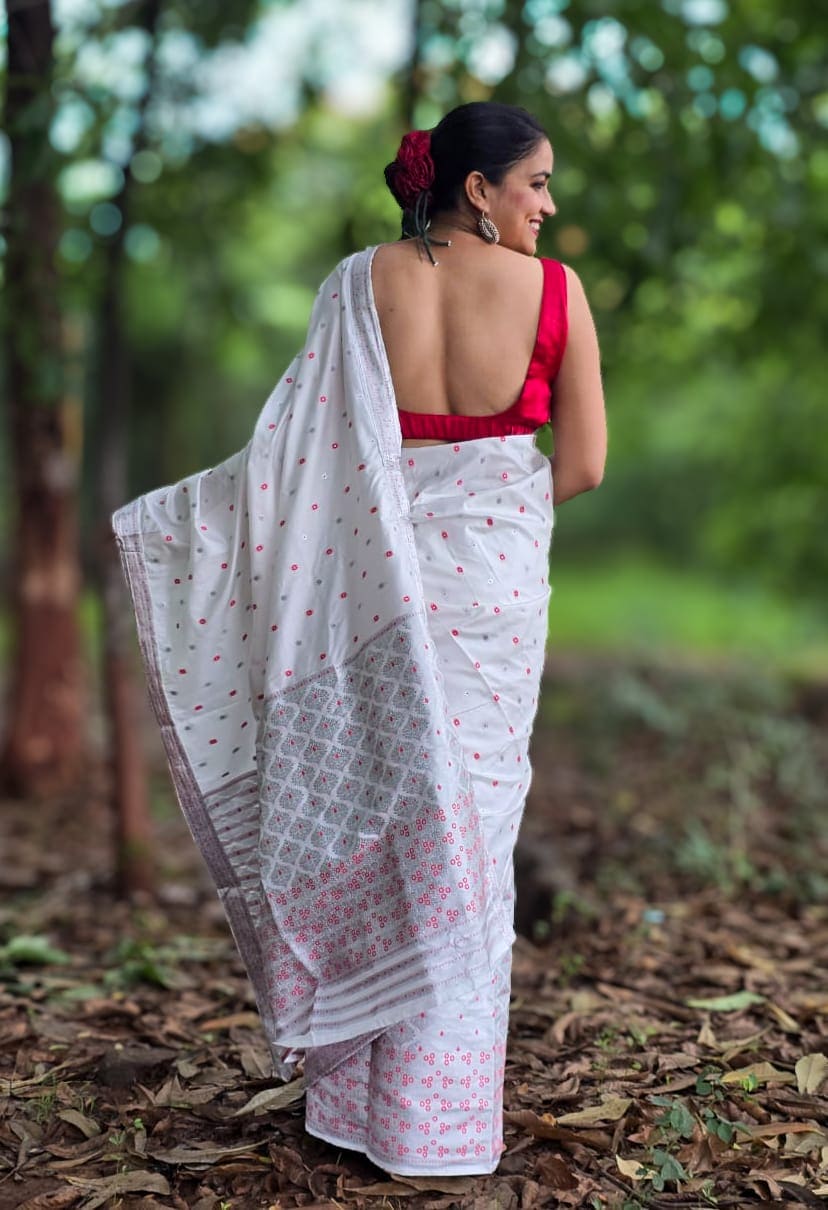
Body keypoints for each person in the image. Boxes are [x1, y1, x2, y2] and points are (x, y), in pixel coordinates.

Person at [113, 100, 605, 1178]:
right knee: (471, 840)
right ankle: (440, 1126)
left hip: (364, 580)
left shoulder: (357, 282)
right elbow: (583, 464)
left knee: (379, 819)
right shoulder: (556, 291)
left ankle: (355, 1109)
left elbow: (295, 455)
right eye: (535, 183)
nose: (547, 205)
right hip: (491, 588)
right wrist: (490, 508)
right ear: (478, 189)